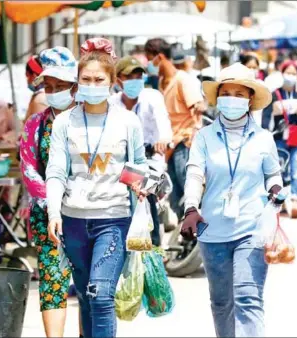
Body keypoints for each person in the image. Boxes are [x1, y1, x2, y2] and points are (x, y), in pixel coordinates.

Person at [45, 38, 147, 338]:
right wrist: (54, 212)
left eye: (98, 79)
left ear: (112, 82)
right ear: (76, 83)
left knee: (101, 294)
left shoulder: (128, 122)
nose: (92, 84)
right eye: (85, 79)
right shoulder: (64, 122)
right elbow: (56, 171)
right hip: (73, 221)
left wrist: (140, 183)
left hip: (113, 219)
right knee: (88, 299)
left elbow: (138, 163)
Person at [182, 63, 282, 338]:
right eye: (227, 92)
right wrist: (191, 206)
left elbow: (273, 174)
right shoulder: (204, 137)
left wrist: (276, 189)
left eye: (240, 94)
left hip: (252, 230)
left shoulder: (263, 139)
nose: (233, 98)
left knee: (248, 299)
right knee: (221, 303)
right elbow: (194, 174)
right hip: (211, 231)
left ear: (250, 99)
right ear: (218, 97)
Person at [20, 47, 79, 338]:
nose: (53, 92)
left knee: (90, 285)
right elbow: (29, 168)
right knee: (53, 281)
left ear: (75, 87)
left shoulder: (90, 120)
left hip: (88, 213)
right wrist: (51, 201)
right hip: (47, 215)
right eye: (49, 86)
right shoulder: (36, 124)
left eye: (61, 86)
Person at [109, 55, 173, 246]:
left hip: (149, 159)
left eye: (139, 76)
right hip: (119, 160)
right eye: (129, 76)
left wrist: (163, 139)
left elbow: (164, 123)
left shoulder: (152, 97)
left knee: (146, 192)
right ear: (118, 79)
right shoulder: (111, 102)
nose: (135, 81)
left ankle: (151, 245)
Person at [150, 38, 205, 219]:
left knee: (188, 187)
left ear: (159, 57)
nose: (149, 64)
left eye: (150, 59)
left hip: (184, 142)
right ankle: (185, 232)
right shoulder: (161, 83)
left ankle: (198, 226)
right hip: (169, 145)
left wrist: (195, 135)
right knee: (173, 193)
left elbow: (198, 109)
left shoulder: (183, 80)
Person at [262, 60, 297, 219]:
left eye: (293, 73)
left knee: (296, 169)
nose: (290, 76)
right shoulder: (274, 94)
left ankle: (295, 200)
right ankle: (283, 204)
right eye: (288, 72)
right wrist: (265, 131)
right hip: (280, 138)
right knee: (281, 171)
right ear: (282, 73)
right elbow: (266, 115)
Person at [25, 55, 48, 121]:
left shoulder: (39, 98)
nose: (27, 80)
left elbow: (36, 129)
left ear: (34, 76)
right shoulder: (48, 94)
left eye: (27, 75)